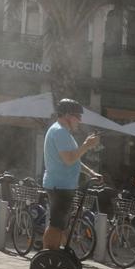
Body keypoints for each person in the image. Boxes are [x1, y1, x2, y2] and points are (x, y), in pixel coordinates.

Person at [41, 98, 101, 251]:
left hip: (62, 185)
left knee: (60, 224)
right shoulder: (60, 132)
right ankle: (48, 255)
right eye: (77, 116)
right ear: (67, 115)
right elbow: (69, 159)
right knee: (56, 225)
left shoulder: (63, 132)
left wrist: (90, 172)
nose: (80, 120)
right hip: (59, 185)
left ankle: (55, 254)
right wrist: (86, 146)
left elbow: (73, 159)